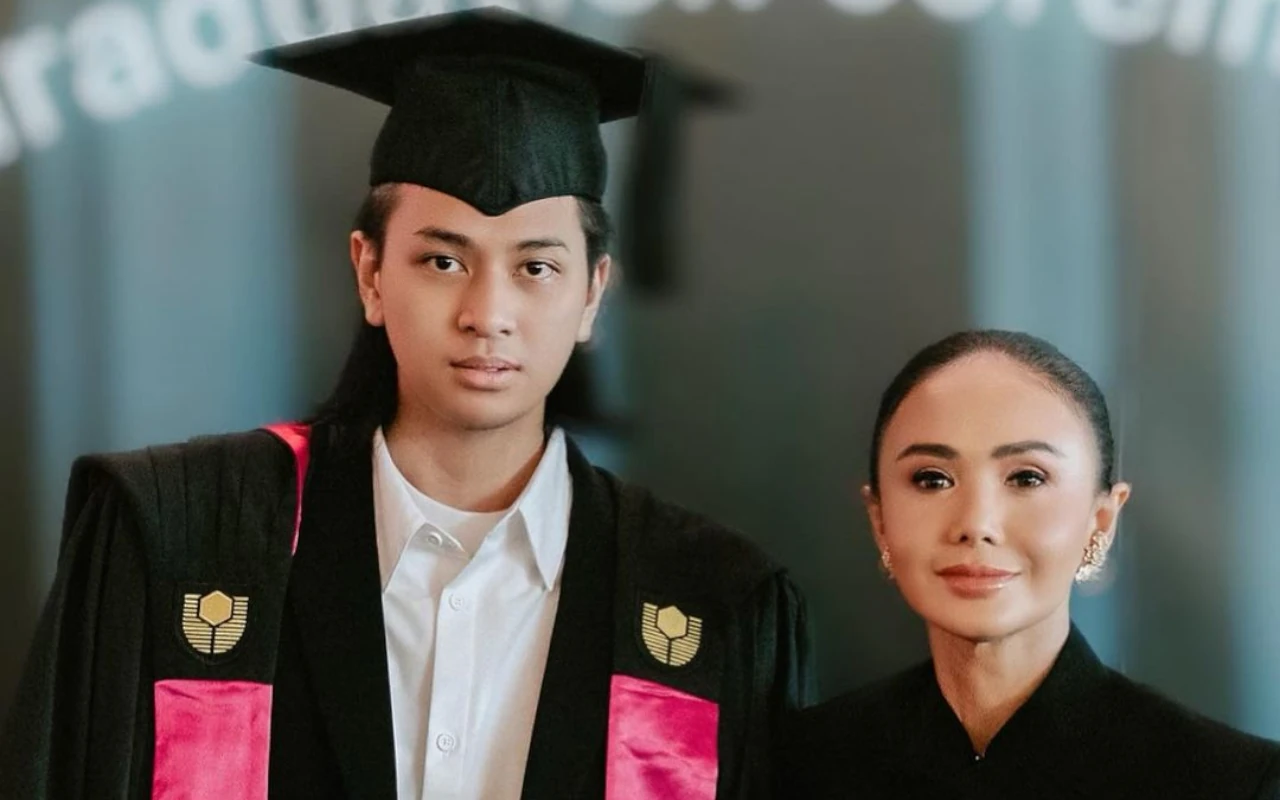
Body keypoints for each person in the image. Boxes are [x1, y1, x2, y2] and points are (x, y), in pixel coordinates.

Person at [0, 9, 814, 800]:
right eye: (442, 261)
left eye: (536, 268)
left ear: (594, 293)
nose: (487, 313)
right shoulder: (177, 537)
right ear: (369, 273)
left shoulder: (712, 600)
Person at [781, 329, 1280, 799]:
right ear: (879, 519)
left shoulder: (1229, 782)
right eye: (932, 479)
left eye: (1026, 478)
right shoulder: (795, 766)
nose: (976, 524)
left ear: (1101, 520)